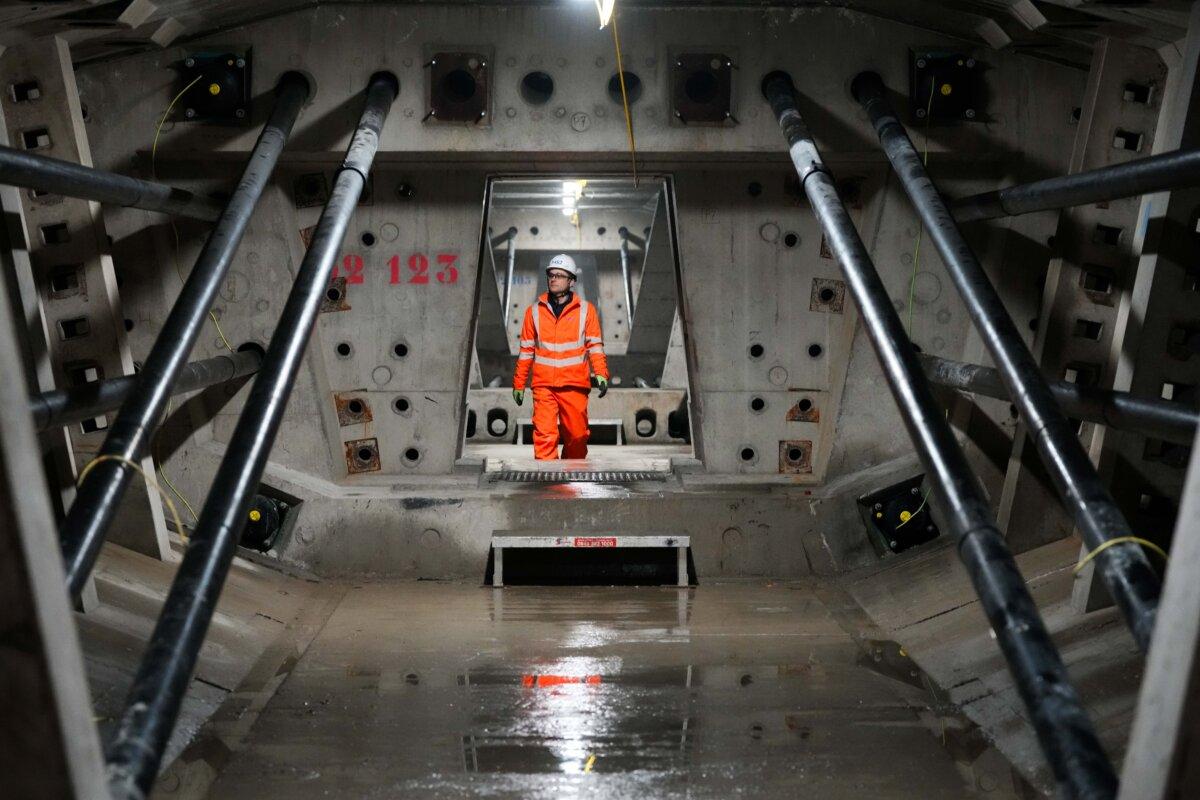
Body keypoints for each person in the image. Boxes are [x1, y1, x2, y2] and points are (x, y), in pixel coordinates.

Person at [512, 254, 609, 459]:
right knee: (545, 437)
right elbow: (526, 351)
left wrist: (601, 373)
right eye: (551, 275)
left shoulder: (586, 311)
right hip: (544, 385)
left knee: (577, 437)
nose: (553, 279)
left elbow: (595, 346)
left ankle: (571, 482)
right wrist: (519, 383)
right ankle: (547, 486)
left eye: (559, 275)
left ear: (571, 281)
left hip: (574, 384)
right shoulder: (534, 312)